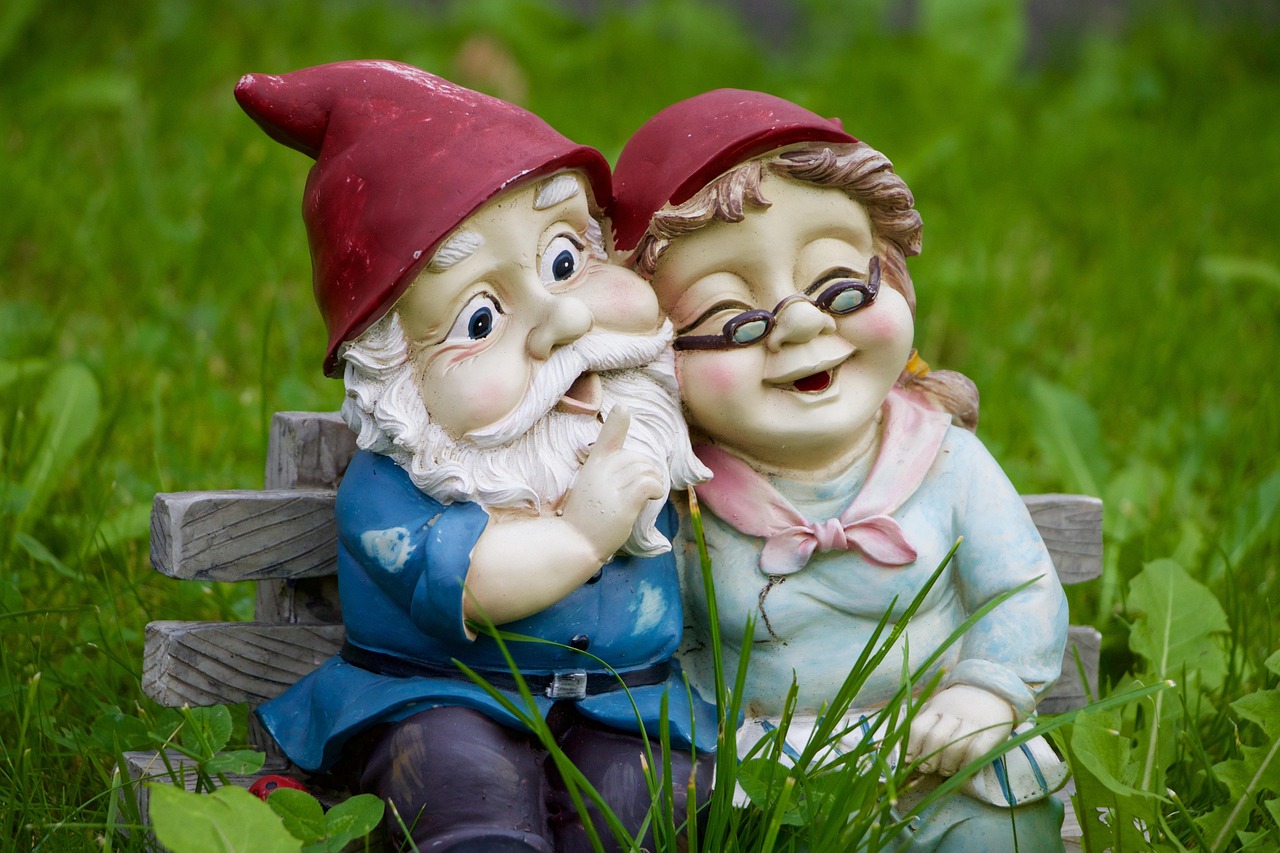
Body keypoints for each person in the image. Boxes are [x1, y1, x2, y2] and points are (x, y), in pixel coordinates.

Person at [235, 60, 715, 852]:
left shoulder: (655, 427)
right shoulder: (390, 492)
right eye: (481, 319)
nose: (562, 321)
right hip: (441, 700)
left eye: (566, 261)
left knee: (646, 807)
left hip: (625, 708)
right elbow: (475, 584)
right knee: (463, 793)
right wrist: (581, 534)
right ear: (398, 378)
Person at [609, 89, 1070, 851]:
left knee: (1003, 827)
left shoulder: (944, 457)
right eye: (732, 319)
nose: (799, 321)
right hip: (767, 767)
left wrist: (986, 691)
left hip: (939, 748)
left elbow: (1020, 588)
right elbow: (650, 640)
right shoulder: (684, 498)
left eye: (839, 286)